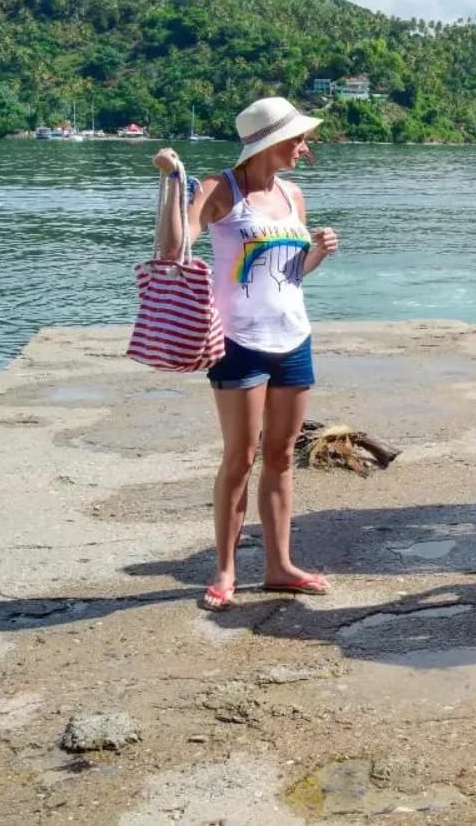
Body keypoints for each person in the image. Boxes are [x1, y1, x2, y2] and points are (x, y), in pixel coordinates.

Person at [150, 97, 339, 611]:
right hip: (238, 343)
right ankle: (226, 570)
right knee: (241, 457)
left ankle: (280, 566)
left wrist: (317, 252)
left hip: (294, 340)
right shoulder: (218, 189)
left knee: (280, 457)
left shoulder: (294, 195)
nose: (304, 148)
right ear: (269, 142)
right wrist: (171, 182)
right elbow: (172, 251)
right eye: (298, 140)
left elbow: (287, 277)